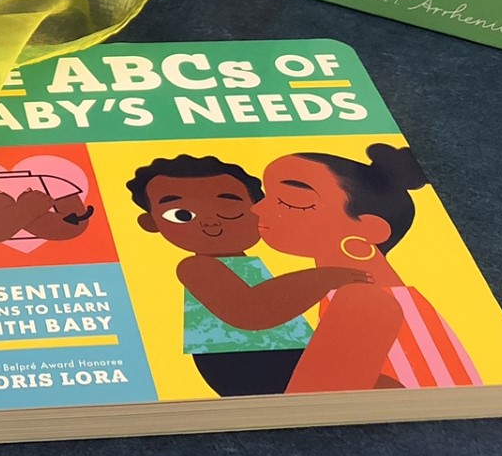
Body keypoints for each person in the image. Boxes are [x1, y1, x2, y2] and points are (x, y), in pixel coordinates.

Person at [128, 155, 369, 397]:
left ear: (258, 209)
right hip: (241, 362)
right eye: (181, 215)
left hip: (286, 353)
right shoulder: (196, 266)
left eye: (229, 209)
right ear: (151, 223)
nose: (211, 222)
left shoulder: (246, 263)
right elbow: (251, 312)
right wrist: (326, 278)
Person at [253, 143, 482, 392]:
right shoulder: (378, 293)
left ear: (371, 230)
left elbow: (308, 399)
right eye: (266, 196)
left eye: (290, 201)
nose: (257, 208)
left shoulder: (363, 300)